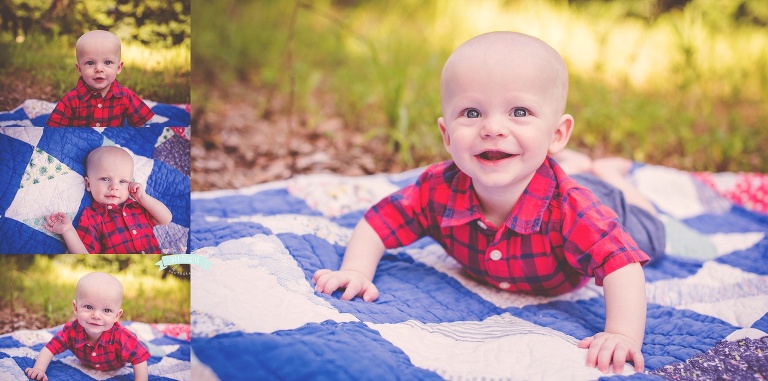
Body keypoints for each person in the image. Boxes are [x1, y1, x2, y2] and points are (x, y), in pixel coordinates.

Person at [314, 32, 651, 374]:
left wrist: (621, 334)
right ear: (446, 136)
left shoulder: (573, 209)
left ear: (557, 134)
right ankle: (581, 164)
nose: (492, 128)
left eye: (519, 111)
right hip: (550, 170)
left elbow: (622, 264)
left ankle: (613, 175)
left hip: (614, 207)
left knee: (649, 230)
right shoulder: (437, 190)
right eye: (472, 112)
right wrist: (356, 270)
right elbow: (379, 222)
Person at [44, 146, 172, 253]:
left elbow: (166, 219)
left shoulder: (138, 207)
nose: (114, 187)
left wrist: (142, 197)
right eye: (105, 179)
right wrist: (68, 231)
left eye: (122, 181)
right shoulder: (92, 217)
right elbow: (84, 254)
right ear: (88, 184)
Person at [25, 272, 150, 381]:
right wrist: (39, 369)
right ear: (76, 308)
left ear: (117, 315)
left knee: (140, 345)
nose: (96, 315)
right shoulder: (71, 331)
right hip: (89, 361)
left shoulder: (122, 337)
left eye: (106, 310)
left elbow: (139, 359)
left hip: (117, 363)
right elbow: (49, 349)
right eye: (89, 307)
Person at [46, 30, 155, 127]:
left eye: (107, 62)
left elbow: (141, 128)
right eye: (90, 63)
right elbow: (53, 131)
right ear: (79, 69)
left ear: (118, 67)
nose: (99, 69)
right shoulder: (71, 100)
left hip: (112, 145)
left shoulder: (125, 96)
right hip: (79, 147)